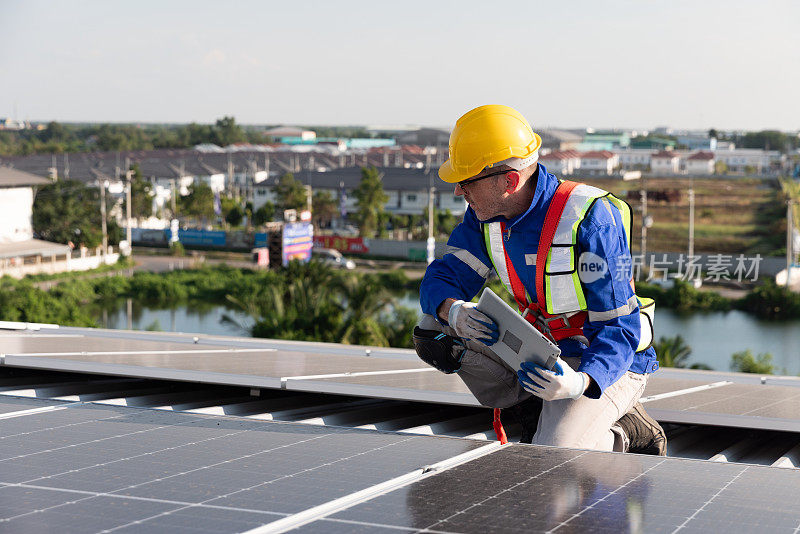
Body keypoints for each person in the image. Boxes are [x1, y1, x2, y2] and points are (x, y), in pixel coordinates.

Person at [414, 104, 665, 454]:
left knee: (557, 452)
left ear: (510, 180)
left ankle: (626, 434)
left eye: (466, 181)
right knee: (433, 328)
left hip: (605, 362)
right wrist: (453, 309)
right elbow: (443, 277)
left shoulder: (593, 219)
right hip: (542, 351)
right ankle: (534, 406)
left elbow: (619, 328)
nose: (459, 192)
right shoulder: (485, 217)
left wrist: (581, 383)